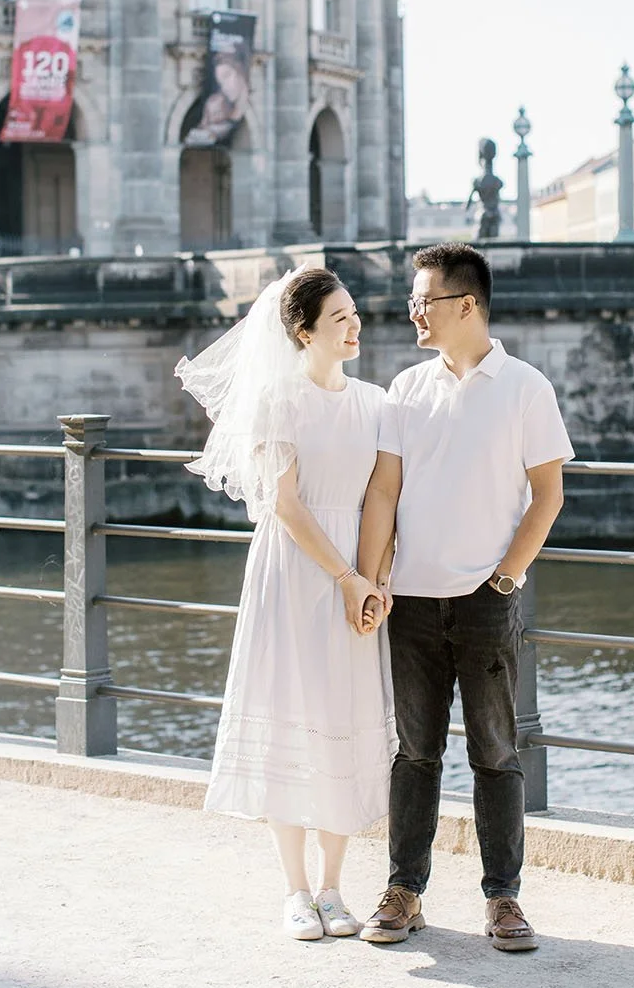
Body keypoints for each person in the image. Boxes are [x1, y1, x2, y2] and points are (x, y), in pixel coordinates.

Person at [356, 243, 573, 951]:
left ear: (466, 305)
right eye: (412, 301)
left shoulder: (524, 388)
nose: (412, 312)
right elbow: (383, 491)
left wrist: (506, 577)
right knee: (413, 751)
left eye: (424, 301)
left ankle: (503, 900)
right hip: (411, 600)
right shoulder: (405, 389)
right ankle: (403, 891)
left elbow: (547, 495)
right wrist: (369, 578)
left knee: (494, 753)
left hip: (485, 599)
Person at [176, 267, 396, 940]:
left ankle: (334, 886)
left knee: (341, 713)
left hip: (353, 576)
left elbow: (381, 499)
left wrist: (373, 581)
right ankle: (295, 889)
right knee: (289, 712)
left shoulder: (376, 402)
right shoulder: (278, 399)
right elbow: (285, 502)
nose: (353, 325)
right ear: (303, 331)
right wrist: (345, 578)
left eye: (354, 314)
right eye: (338, 318)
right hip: (296, 569)